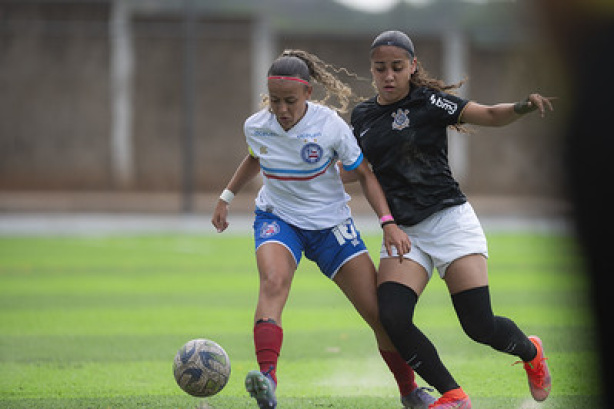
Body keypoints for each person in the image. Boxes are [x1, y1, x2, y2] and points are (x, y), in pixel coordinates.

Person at [211, 49, 436, 409]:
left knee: (378, 314)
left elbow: (364, 173)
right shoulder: (256, 124)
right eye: (275, 101)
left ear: (308, 95)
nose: (281, 110)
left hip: (331, 224)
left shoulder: (330, 126)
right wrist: (226, 197)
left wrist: (388, 223)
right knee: (272, 282)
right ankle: (266, 381)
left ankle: (409, 391)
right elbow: (256, 155)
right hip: (278, 218)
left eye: (290, 101)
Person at [347, 30, 554, 409]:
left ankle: (531, 352)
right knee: (392, 317)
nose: (389, 75)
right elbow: (357, 171)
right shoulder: (362, 116)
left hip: (450, 222)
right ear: (372, 71)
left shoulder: (429, 102)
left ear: (412, 66)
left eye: (396, 67)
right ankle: (454, 395)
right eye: (380, 69)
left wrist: (523, 106)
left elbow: (490, 115)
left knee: (479, 326)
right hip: (403, 231)